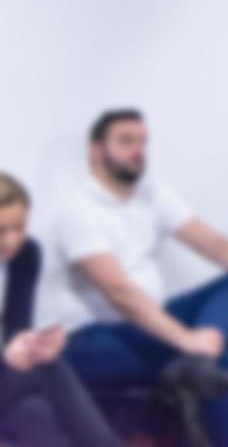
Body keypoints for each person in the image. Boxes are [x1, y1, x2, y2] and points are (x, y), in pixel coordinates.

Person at [55, 109, 228, 447]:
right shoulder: (76, 209)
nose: (138, 150)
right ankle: (203, 366)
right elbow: (118, 292)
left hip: (146, 324)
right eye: (125, 141)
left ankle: (199, 359)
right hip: (89, 341)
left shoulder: (151, 195)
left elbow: (213, 243)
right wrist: (186, 340)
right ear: (97, 150)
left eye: (142, 141)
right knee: (215, 353)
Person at [0, 173, 121, 447]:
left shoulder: (25, 254)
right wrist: (8, 360)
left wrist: (33, 345)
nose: (11, 240)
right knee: (47, 370)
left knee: (34, 412)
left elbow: (15, 330)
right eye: (1, 230)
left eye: (19, 227)